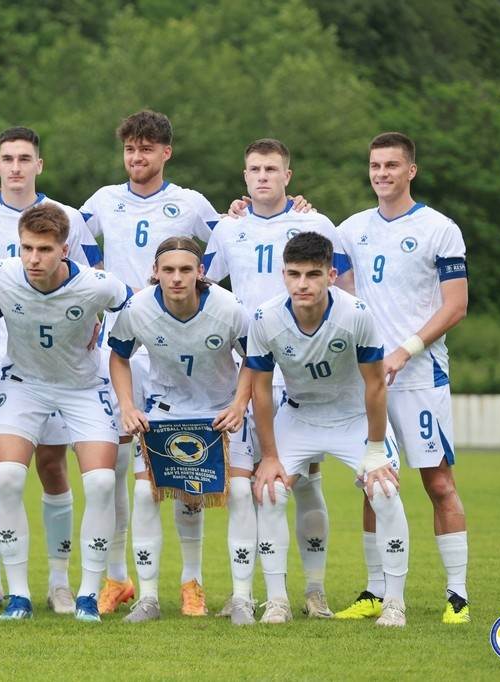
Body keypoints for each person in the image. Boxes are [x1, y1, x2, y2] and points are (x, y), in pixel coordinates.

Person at [0, 126, 103, 613]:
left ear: (39, 165)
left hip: (49, 363)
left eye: (24, 158)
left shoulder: (68, 218)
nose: (15, 166)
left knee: (53, 466)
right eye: (7, 158)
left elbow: (92, 281)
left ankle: (58, 581)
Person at [77, 110, 223, 616]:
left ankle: (191, 582)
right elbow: (64, 243)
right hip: (117, 349)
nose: (137, 158)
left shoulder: (191, 204)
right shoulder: (101, 201)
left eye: (147, 149)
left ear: (166, 153)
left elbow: (227, 251)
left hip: (170, 348)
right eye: (130, 150)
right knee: (116, 467)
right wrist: (92, 301)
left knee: (184, 468)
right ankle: (118, 579)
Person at [203, 138, 354, 622]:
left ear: (289, 175)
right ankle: (247, 591)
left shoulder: (317, 223)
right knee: (250, 485)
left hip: (303, 372)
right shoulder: (229, 228)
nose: (262, 176)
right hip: (248, 369)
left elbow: (346, 290)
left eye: (271, 168)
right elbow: (205, 287)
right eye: (254, 169)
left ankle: (313, 590)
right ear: (244, 177)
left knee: (305, 483)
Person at [337, 132, 470, 624]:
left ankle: (457, 595)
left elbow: (456, 306)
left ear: (410, 170)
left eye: (392, 165)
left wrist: (405, 350)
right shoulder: (350, 229)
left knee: (438, 482)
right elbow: (322, 272)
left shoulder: (440, 229)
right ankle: (375, 590)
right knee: (374, 483)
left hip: (419, 377)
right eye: (375, 165)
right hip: (368, 381)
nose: (381, 173)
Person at [0, 203, 131, 622]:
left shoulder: (98, 286)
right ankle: (19, 596)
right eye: (26, 247)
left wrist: (107, 339)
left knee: (101, 482)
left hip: (82, 388)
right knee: (6, 476)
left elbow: (138, 312)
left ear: (65, 249)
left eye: (44, 249)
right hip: (23, 385)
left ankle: (85, 595)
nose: (33, 258)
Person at [247, 231, 409, 627]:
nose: (302, 284)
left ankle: (394, 602)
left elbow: (375, 385)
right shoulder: (266, 317)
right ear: (283, 275)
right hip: (299, 417)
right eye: (294, 274)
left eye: (313, 274)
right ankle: (278, 600)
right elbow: (261, 390)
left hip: (353, 417)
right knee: (269, 492)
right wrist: (269, 456)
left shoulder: (356, 315)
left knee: (384, 490)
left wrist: (375, 449)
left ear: (331, 275)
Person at [108, 237, 251, 622]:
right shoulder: (137, 308)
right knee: (143, 494)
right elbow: (119, 357)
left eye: (186, 269)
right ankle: (149, 598)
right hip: (165, 411)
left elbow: (255, 359)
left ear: (200, 272)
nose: (176, 278)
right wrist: (127, 406)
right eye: (168, 270)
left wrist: (239, 404)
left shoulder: (228, 308)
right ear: (155, 272)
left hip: (221, 414)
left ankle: (237, 597)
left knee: (238, 492)